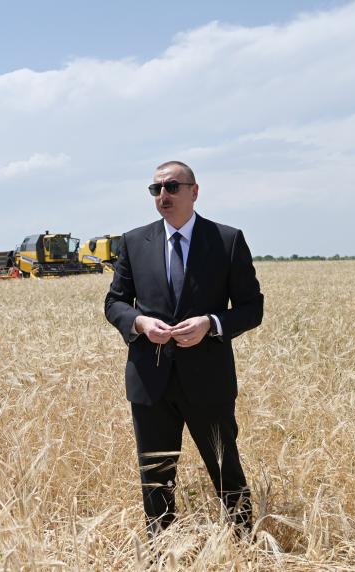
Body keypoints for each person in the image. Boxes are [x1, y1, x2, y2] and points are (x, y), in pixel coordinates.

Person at [104, 160, 264, 538]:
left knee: (226, 470)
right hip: (150, 379)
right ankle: (161, 551)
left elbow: (252, 307)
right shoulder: (133, 242)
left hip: (207, 379)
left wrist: (211, 323)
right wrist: (140, 323)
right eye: (156, 189)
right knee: (156, 478)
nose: (163, 195)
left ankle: (245, 545)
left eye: (172, 187)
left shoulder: (226, 240)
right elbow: (115, 303)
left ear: (194, 191)